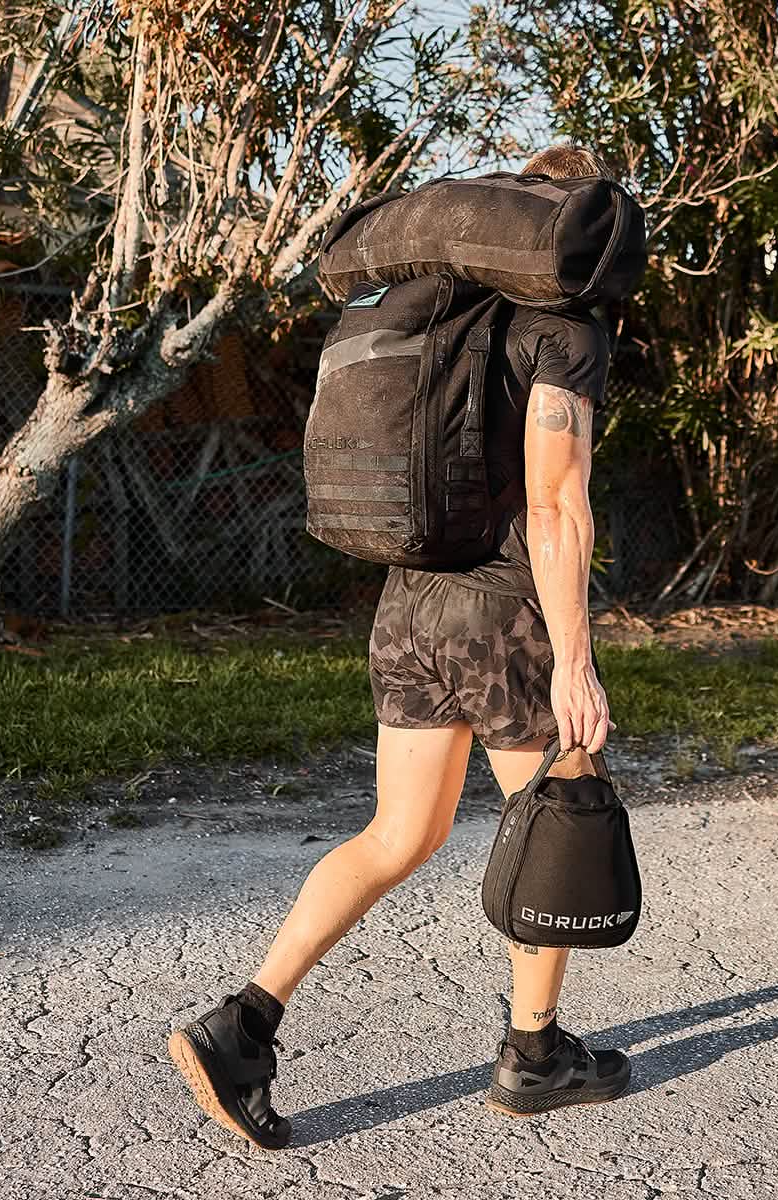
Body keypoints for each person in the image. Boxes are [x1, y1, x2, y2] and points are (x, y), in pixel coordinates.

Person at [168, 144, 630, 1149]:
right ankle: (535, 1052)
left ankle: (243, 1024)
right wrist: (577, 662)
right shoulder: (565, 323)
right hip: (505, 612)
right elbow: (555, 506)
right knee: (552, 826)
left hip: (409, 606)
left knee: (398, 835)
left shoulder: (427, 308)